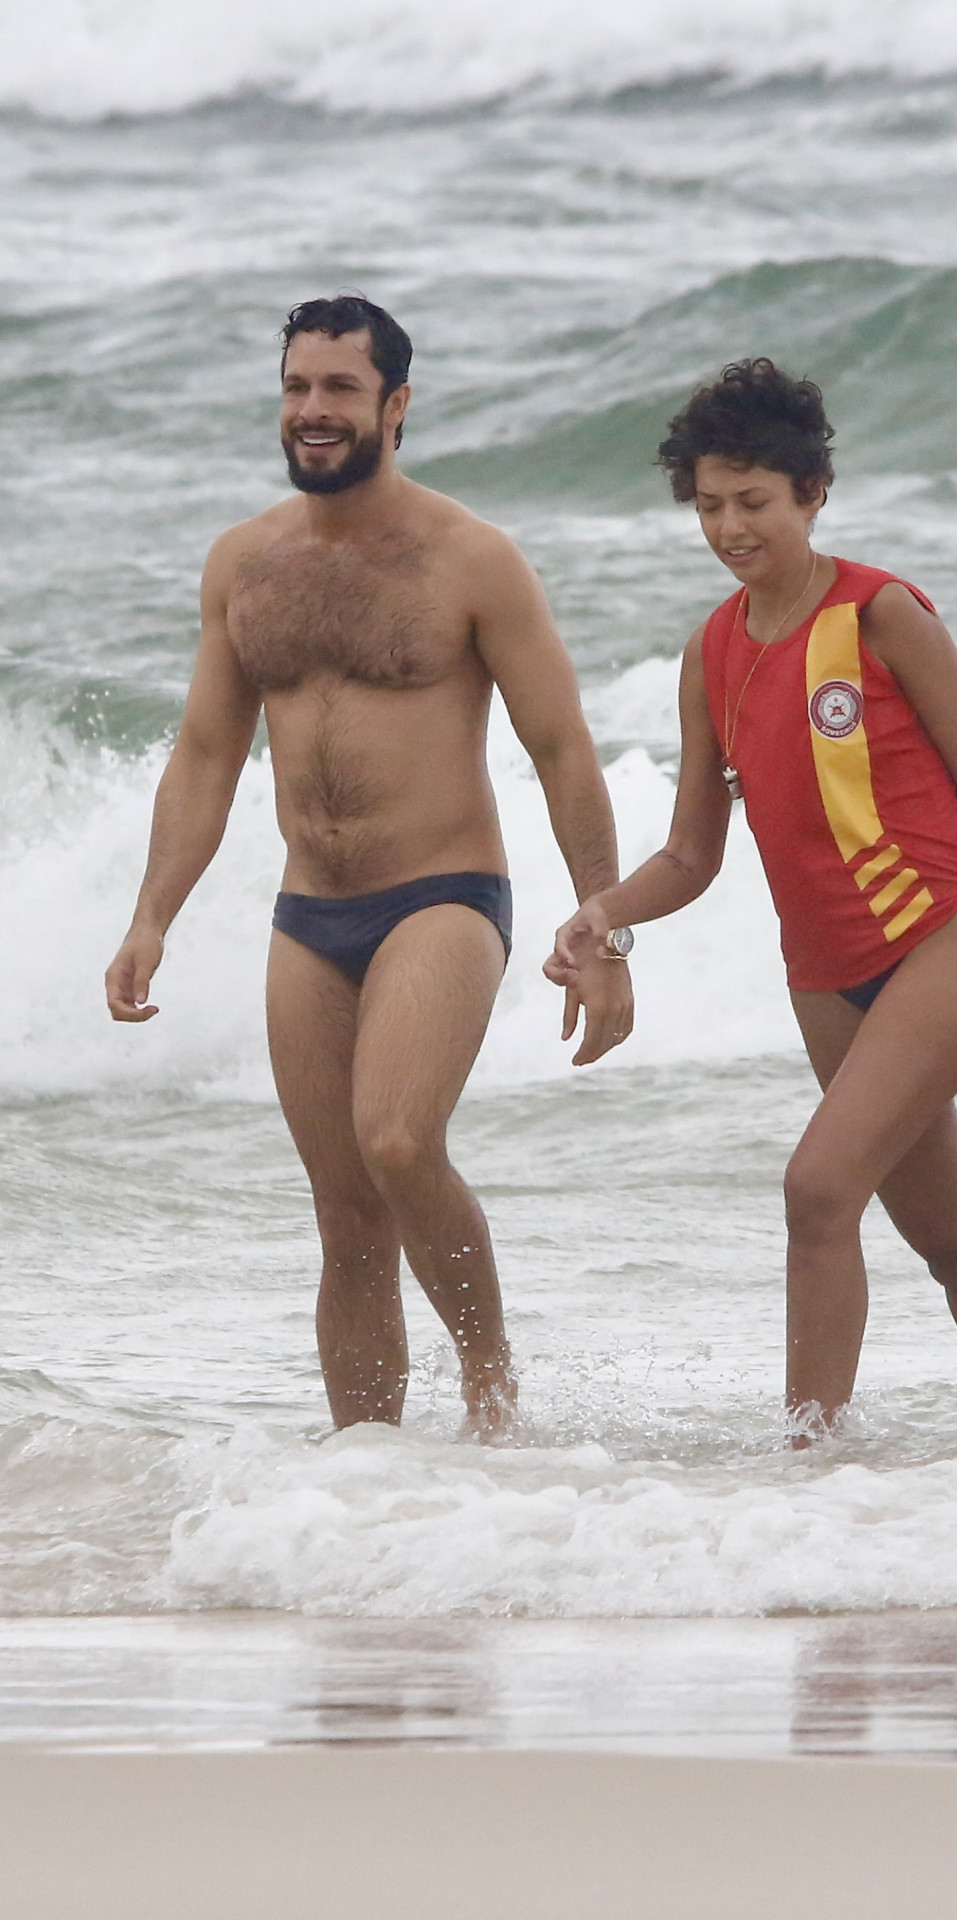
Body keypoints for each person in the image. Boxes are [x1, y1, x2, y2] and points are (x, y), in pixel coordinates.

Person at [547, 357, 957, 1442]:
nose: (729, 527)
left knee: (816, 1190)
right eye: (709, 505)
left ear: (811, 494)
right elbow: (688, 855)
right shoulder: (709, 653)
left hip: (943, 938)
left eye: (753, 502)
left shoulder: (879, 614)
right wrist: (598, 914)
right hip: (823, 977)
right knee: (955, 1245)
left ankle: (804, 1470)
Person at [106, 294, 632, 1438]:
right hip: (310, 916)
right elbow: (203, 756)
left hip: (441, 898)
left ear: (396, 405)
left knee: (395, 1140)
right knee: (344, 1218)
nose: (312, 410)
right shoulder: (245, 565)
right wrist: (153, 914)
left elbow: (559, 749)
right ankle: (366, 1485)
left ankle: (490, 1384)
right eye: (296, 387)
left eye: (339, 389)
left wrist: (605, 927)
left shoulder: (469, 560)